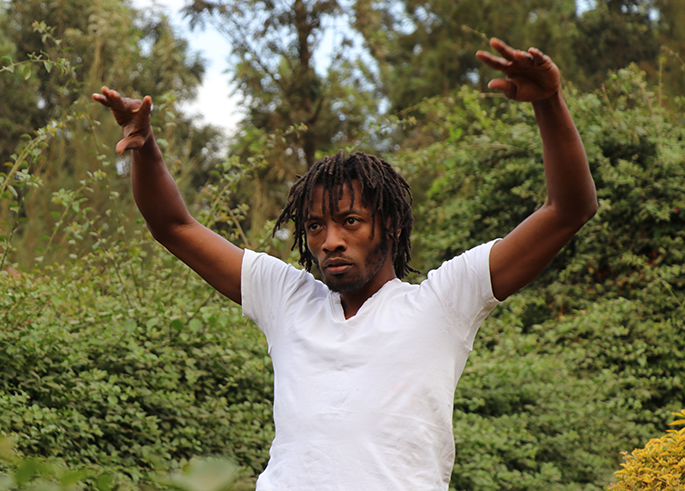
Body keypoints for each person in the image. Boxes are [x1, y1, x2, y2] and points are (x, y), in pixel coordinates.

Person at [93, 38, 597, 491]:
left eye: (350, 221)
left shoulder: (442, 303)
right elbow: (174, 226)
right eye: (315, 226)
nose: (330, 241)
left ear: (391, 225)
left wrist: (549, 102)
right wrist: (146, 147)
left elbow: (568, 210)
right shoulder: (288, 298)